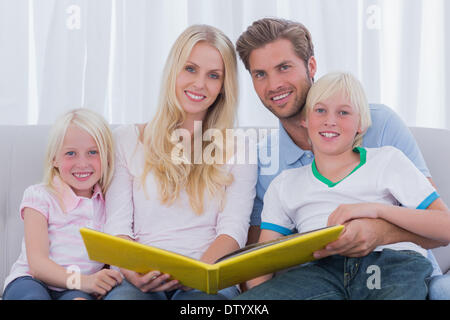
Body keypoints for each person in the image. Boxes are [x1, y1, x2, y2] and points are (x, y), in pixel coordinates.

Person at [235, 17, 445, 274]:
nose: (274, 85)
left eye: (284, 67)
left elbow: (441, 230)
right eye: (260, 74)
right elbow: (258, 259)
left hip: (402, 273)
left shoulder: (381, 124)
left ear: (311, 65)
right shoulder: (263, 160)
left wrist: (380, 233)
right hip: (322, 282)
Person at [237, 72, 450, 299]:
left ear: (361, 124)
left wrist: (376, 210)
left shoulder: (388, 160)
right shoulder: (284, 185)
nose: (331, 120)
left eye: (344, 113)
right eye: (320, 110)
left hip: (388, 263)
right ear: (305, 120)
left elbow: (445, 226)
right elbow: (263, 260)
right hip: (321, 272)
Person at [103, 24, 257, 300]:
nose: (199, 84)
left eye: (213, 75)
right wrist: (132, 272)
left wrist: (197, 271)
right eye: (190, 69)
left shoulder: (240, 147)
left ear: (224, 86)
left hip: (207, 274)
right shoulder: (125, 139)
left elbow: (233, 230)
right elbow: (117, 227)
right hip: (140, 277)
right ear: (174, 71)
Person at [3, 108, 122, 300]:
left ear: (107, 158)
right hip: (31, 281)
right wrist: (85, 281)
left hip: (77, 289)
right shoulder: (40, 196)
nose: (82, 163)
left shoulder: (110, 203)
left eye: (93, 152)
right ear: (54, 159)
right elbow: (38, 264)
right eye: (71, 153)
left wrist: (103, 281)